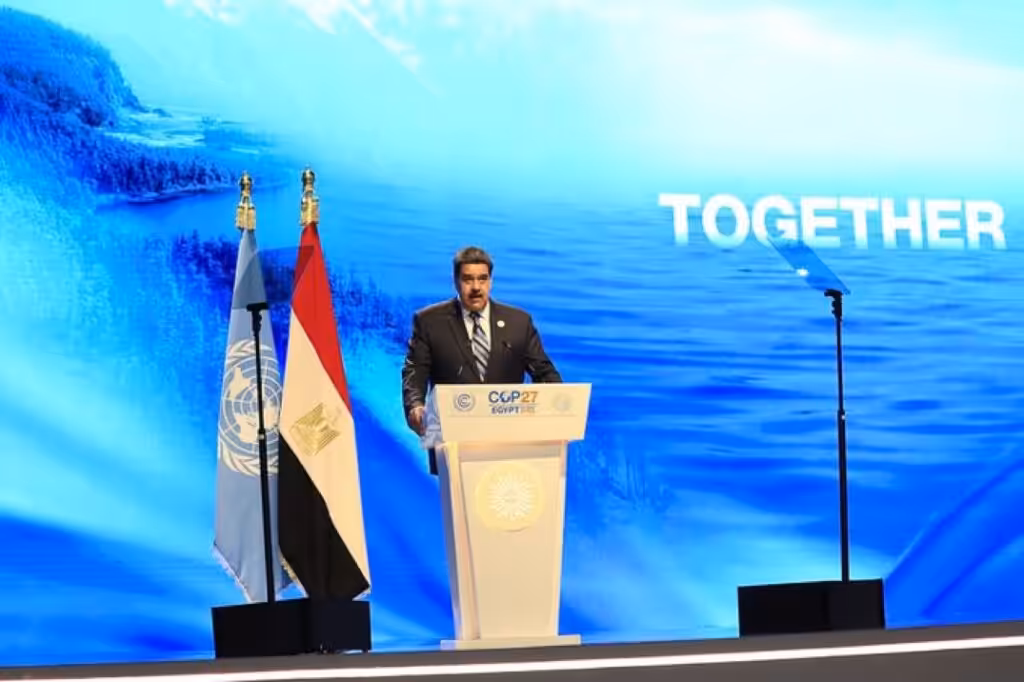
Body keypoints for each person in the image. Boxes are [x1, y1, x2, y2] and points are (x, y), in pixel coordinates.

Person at [402, 246, 562, 473]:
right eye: (468, 279)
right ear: (455, 281)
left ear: (491, 281)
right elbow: (415, 370)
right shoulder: (430, 321)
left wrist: (558, 405)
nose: (476, 287)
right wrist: (415, 406)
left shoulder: (518, 322)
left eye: (482, 279)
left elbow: (544, 372)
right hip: (451, 439)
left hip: (509, 440)